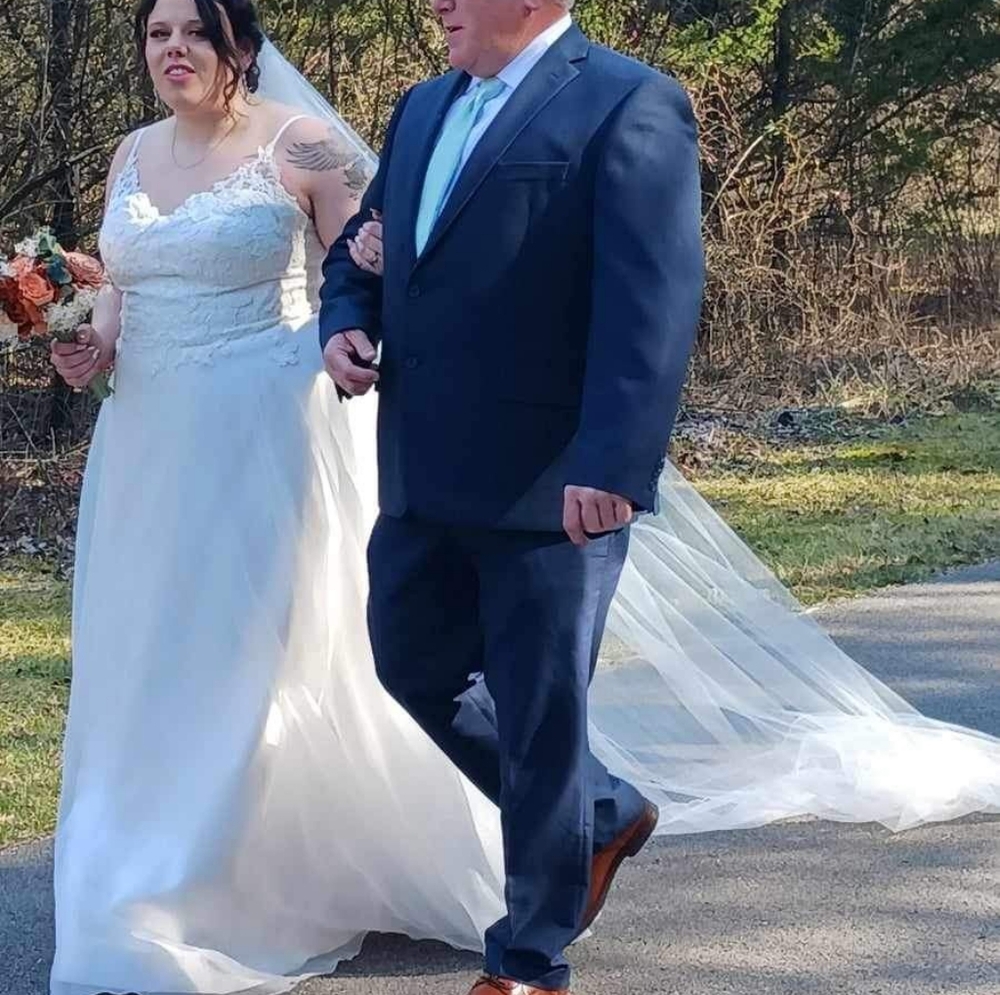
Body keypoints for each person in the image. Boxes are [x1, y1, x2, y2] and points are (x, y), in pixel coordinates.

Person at [51, 0, 1000, 993]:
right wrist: (346, 318)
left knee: (541, 704)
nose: (435, 8)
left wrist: (614, 464)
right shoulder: (421, 109)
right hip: (414, 459)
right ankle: (596, 809)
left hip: (555, 470)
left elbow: (653, 298)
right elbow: (369, 252)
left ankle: (531, 956)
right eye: (153, 34)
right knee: (409, 658)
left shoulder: (629, 102)